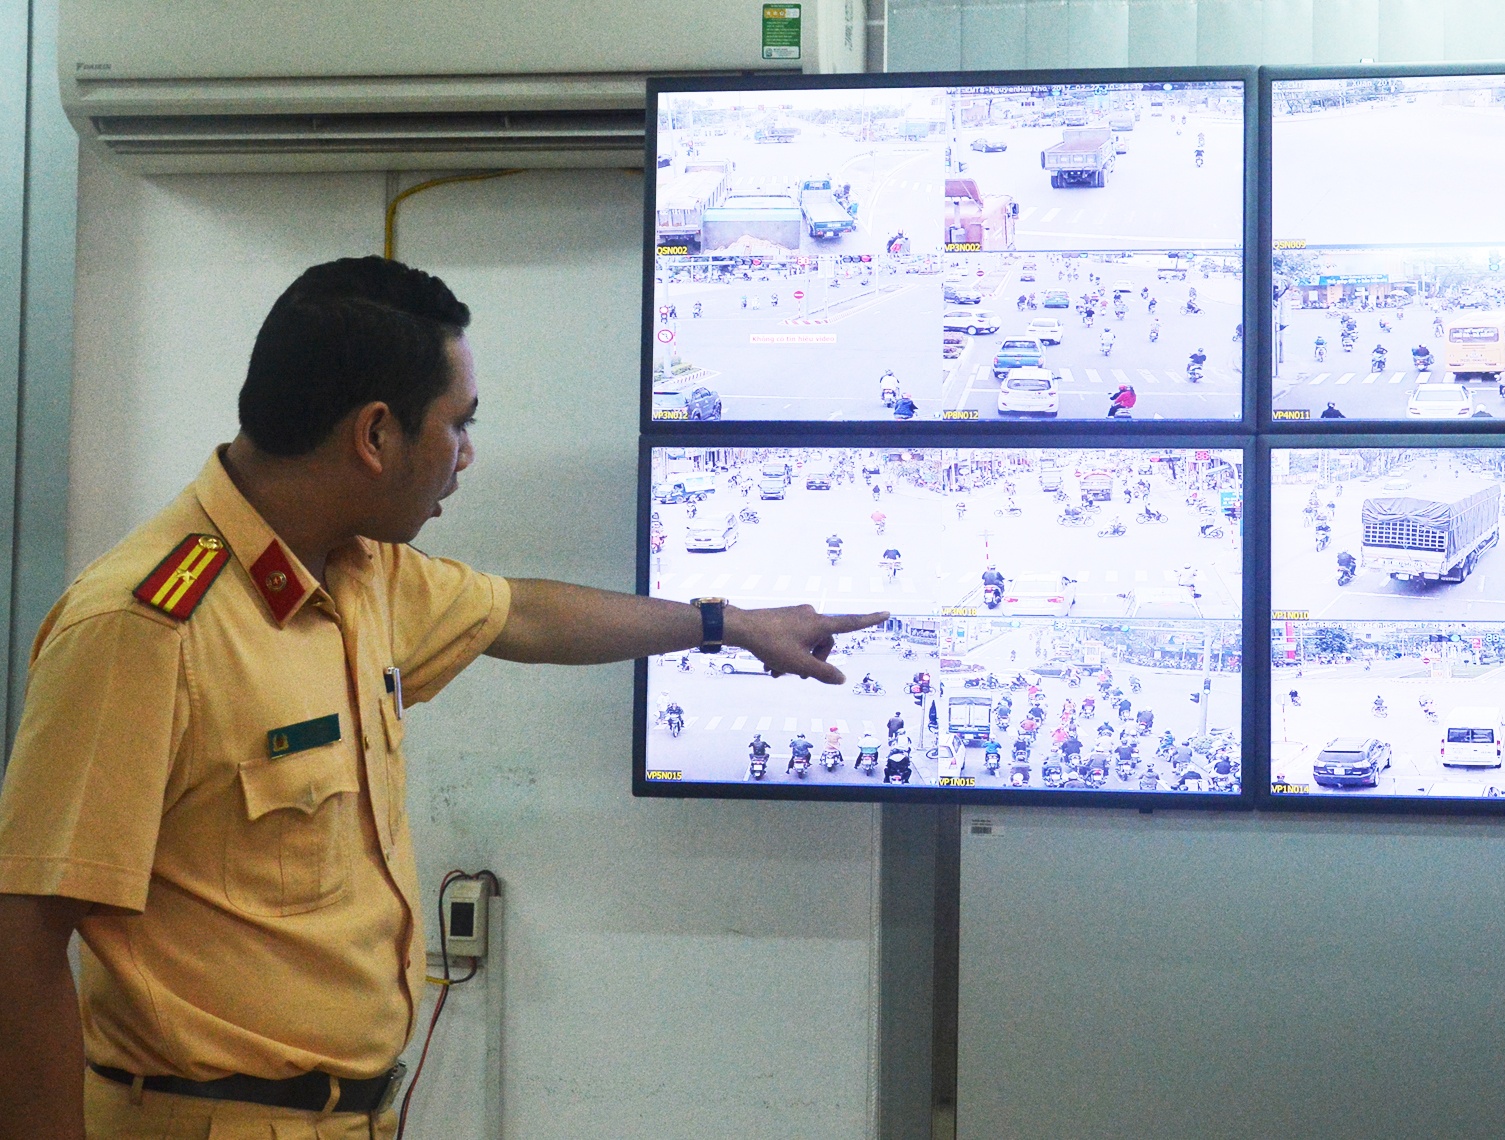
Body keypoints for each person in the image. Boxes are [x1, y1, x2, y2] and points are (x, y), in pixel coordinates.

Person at [0, 257, 886, 1140]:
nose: (467, 455)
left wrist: (727, 625)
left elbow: (523, 615)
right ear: (375, 435)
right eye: (458, 425)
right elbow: (24, 935)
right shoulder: (146, 629)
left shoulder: (359, 570)